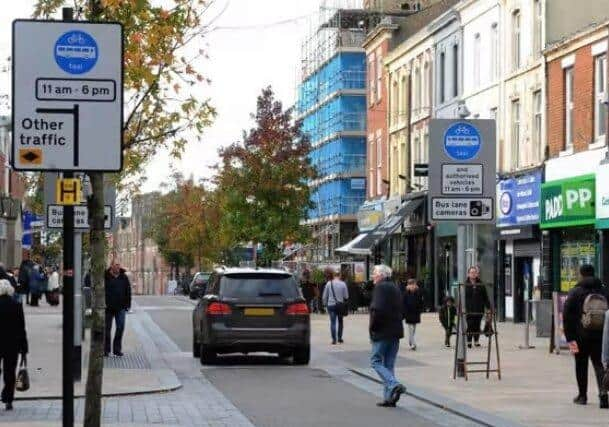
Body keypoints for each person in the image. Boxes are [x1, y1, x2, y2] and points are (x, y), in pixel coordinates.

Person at [563, 264, 609, 408]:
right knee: (599, 364)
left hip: (579, 336)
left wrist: (570, 338)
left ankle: (582, 396)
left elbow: (566, 316)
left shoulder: (575, 291)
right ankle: (603, 394)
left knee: (580, 364)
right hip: (600, 336)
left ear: (581, 274)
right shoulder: (604, 290)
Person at [369, 264, 406, 408]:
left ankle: (394, 384)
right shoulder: (395, 287)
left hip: (382, 331)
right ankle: (389, 398)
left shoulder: (380, 287)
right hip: (395, 331)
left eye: (374, 273)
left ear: (381, 275)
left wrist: (372, 328)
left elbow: (376, 309)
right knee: (389, 364)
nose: (373, 276)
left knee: (375, 361)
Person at [0, 279, 28, 410]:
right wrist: (24, 348)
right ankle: (8, 399)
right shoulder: (16, 305)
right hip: (12, 345)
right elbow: (21, 328)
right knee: (10, 372)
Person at [105, 260, 132, 357]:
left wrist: (128, 305)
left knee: (120, 327)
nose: (118, 267)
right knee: (107, 329)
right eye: (116, 265)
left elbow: (128, 291)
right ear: (111, 266)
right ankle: (106, 349)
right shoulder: (105, 276)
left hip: (121, 307)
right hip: (108, 307)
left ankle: (117, 349)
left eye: (119, 265)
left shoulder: (123, 277)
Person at [464, 266, 490, 348]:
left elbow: (485, 297)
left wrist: (488, 308)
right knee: (470, 325)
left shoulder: (481, 284)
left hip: (479, 309)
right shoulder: (465, 284)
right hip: (469, 309)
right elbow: (461, 297)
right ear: (468, 274)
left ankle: (476, 341)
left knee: (477, 325)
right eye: (471, 272)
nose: (473, 274)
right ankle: (468, 341)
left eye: (475, 272)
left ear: (477, 274)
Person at [322, 270, 349, 345]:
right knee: (340, 322)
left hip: (331, 305)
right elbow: (346, 296)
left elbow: (325, 296)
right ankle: (340, 338)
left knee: (333, 322)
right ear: (339, 275)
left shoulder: (328, 283)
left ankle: (334, 340)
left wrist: (324, 304)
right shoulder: (343, 284)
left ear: (334, 275)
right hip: (340, 305)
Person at [402, 279, 424, 351]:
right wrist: (404, 313)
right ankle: (413, 344)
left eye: (413, 284)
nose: (412, 286)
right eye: (411, 284)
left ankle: (411, 340)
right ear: (408, 285)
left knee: (414, 329)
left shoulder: (418, 292)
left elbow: (421, 302)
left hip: (416, 313)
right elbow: (403, 303)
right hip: (408, 313)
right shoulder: (406, 293)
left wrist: (420, 309)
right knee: (410, 329)